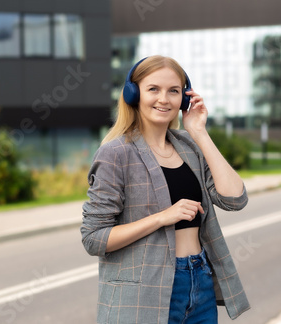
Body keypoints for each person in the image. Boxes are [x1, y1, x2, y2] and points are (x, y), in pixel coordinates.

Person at [81, 55, 250, 323]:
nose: (164, 99)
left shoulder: (189, 146)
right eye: (153, 89)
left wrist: (199, 132)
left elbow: (235, 199)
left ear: (184, 98)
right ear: (133, 94)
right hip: (145, 293)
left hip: (199, 281)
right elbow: (94, 238)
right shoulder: (115, 153)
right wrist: (162, 217)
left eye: (174, 91)